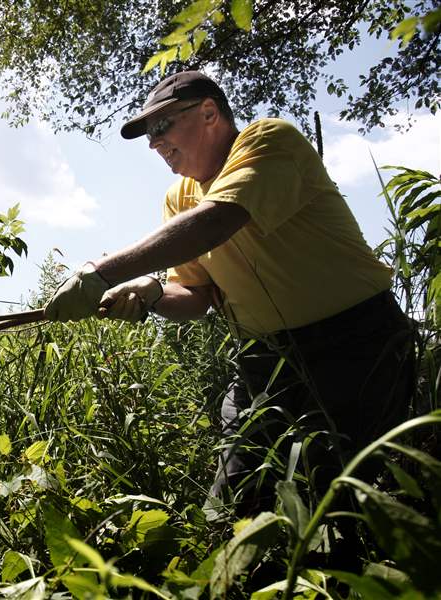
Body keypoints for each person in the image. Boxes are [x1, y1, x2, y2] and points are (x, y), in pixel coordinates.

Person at [44, 71, 414, 524]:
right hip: (265, 358)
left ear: (209, 112)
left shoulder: (269, 140)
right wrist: (153, 291)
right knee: (232, 504)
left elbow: (217, 221)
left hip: (356, 343)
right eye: (148, 136)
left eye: (162, 127)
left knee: (331, 508)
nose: (153, 144)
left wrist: (100, 272)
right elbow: (197, 296)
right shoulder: (180, 197)